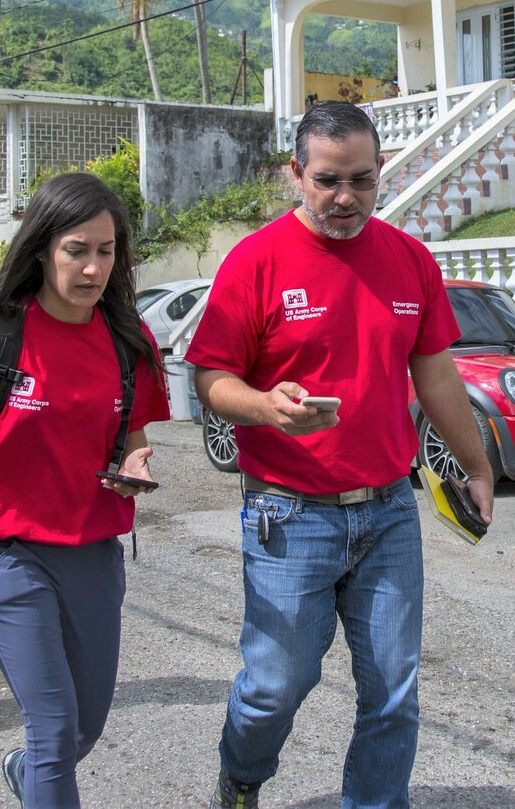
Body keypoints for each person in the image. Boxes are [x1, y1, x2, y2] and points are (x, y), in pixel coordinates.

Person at [187, 100, 494, 809]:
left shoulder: (410, 260)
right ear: (296, 174)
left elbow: (438, 375)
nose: (345, 197)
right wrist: (266, 408)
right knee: (275, 686)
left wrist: (476, 467)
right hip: (287, 514)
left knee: (392, 690)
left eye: (361, 179)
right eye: (327, 180)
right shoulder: (255, 262)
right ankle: (240, 777)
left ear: (381, 169)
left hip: (388, 511)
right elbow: (210, 380)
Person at [0, 172, 170, 808]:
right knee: (53, 731)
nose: (92, 268)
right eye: (76, 250)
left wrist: (135, 462)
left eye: (106, 251)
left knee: (84, 728)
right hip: (11, 557)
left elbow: (131, 434)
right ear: (42, 249)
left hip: (95, 555)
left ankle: (26, 776)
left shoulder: (127, 340)